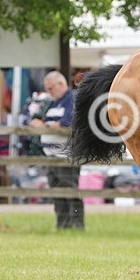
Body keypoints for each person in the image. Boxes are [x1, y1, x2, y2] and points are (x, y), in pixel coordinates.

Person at [32, 71, 84, 229]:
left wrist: (46, 126)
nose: (49, 92)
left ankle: (76, 224)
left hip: (66, 155)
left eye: (50, 89)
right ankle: (62, 225)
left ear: (60, 84)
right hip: (52, 155)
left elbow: (68, 122)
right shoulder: (54, 101)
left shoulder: (72, 98)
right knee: (57, 192)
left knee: (69, 190)